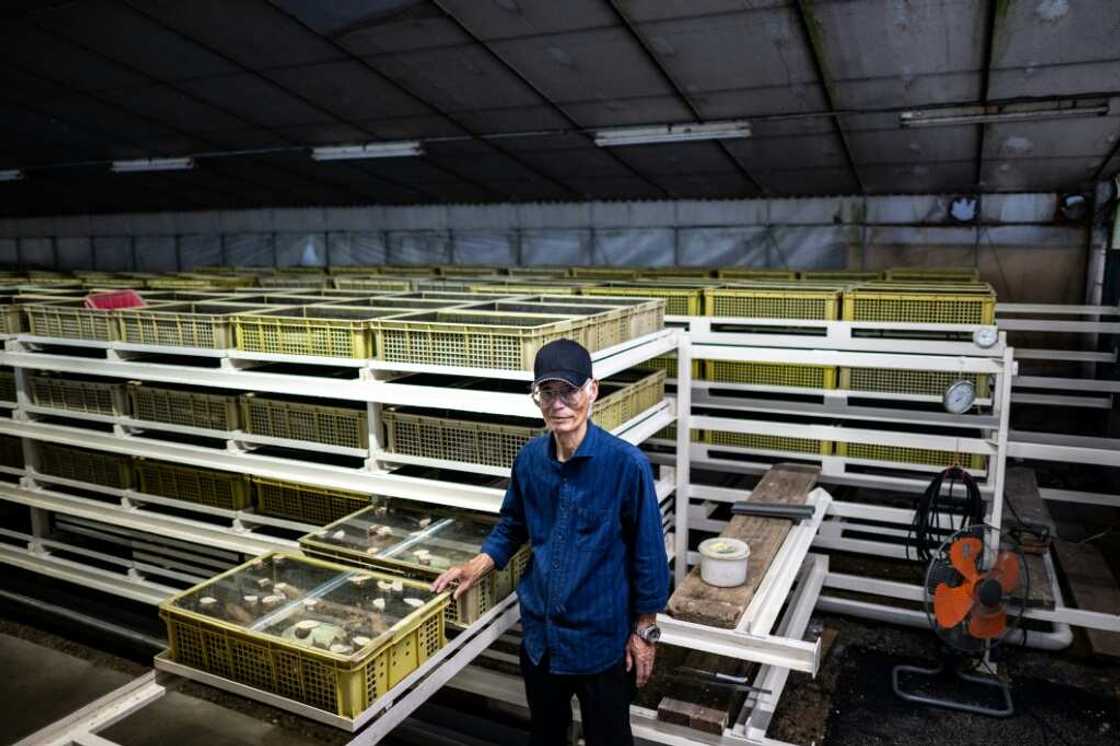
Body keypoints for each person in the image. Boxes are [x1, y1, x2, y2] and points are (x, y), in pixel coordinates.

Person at [433, 338, 669, 746]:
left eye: (570, 391)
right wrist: (477, 565)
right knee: (545, 735)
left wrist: (644, 632)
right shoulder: (529, 461)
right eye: (548, 392)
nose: (559, 404)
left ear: (592, 390)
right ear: (537, 398)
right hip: (542, 642)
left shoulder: (626, 466)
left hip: (602, 644)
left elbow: (649, 555)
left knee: (609, 739)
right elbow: (512, 526)